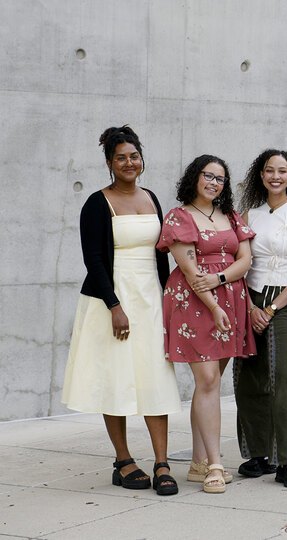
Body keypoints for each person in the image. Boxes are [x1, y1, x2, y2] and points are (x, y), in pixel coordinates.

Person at [62, 125, 181, 496]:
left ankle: (162, 461)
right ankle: (124, 460)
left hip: (149, 301)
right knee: (116, 379)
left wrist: (167, 299)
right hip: (112, 302)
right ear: (110, 163)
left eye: (134, 156)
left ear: (141, 159)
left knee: (155, 378)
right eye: (121, 158)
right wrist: (114, 305)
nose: (129, 163)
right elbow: (93, 260)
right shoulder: (97, 203)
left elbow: (160, 253)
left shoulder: (151, 197)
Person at [158, 155, 256, 494]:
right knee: (209, 379)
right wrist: (215, 306)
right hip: (196, 304)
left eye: (220, 179)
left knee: (209, 384)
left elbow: (246, 260)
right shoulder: (179, 216)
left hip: (231, 299)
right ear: (194, 177)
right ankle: (215, 464)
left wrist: (220, 278)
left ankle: (199, 462)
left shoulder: (230, 216)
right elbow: (190, 272)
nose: (213, 183)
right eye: (208, 176)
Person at [235, 149, 287, 488]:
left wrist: (270, 309)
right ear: (261, 175)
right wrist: (251, 307)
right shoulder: (248, 214)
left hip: (283, 300)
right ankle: (258, 454)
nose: (276, 176)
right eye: (270, 170)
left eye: (282, 171)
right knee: (249, 375)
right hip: (249, 297)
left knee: (281, 376)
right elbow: (240, 262)